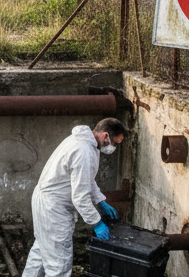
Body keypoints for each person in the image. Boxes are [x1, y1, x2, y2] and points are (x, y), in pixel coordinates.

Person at [21, 118, 128, 277]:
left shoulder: (87, 144)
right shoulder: (83, 151)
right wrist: (96, 222)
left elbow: (87, 179)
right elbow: (80, 197)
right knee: (59, 264)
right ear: (105, 135)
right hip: (54, 208)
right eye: (115, 143)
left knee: (41, 252)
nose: (114, 147)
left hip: (47, 202)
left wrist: (100, 200)